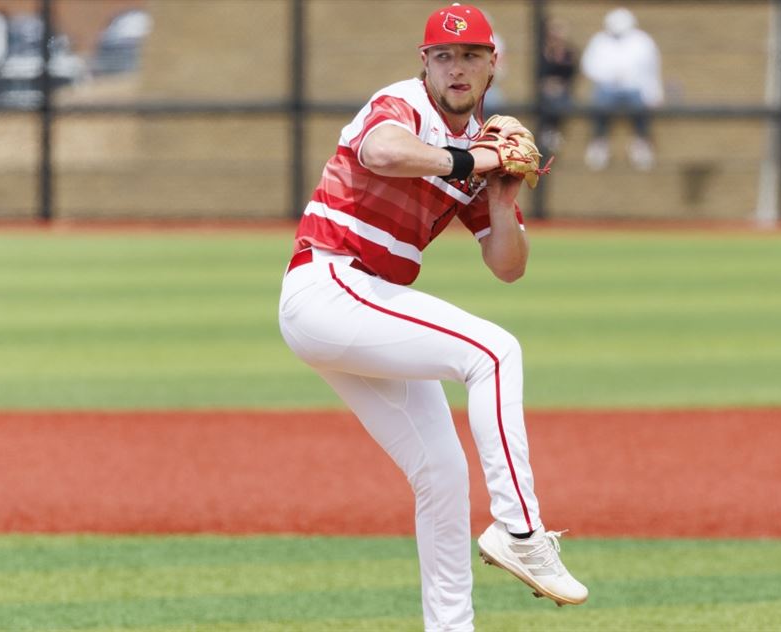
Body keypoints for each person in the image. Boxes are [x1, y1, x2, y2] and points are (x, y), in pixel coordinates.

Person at [276, 4, 587, 631]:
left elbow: (507, 266)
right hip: (330, 284)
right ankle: (522, 531)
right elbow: (386, 153)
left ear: (492, 65)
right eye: (443, 56)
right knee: (492, 352)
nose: (456, 67)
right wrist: (475, 164)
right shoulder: (401, 105)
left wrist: (503, 197)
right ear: (425, 64)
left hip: (364, 305)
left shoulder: (480, 149)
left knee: (442, 474)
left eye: (471, 55)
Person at [580, 7, 663, 171]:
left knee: (640, 111)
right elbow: (588, 65)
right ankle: (599, 143)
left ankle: (641, 144)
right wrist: (608, 75)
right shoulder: (600, 41)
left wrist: (654, 93)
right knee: (600, 107)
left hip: (634, 88)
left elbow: (651, 68)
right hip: (607, 88)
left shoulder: (642, 41)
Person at [537, 16, 578, 154]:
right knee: (547, 96)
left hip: (562, 88)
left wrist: (560, 84)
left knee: (558, 97)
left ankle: (552, 131)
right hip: (544, 87)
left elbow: (571, 74)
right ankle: (546, 131)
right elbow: (538, 72)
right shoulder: (541, 51)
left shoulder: (569, 53)